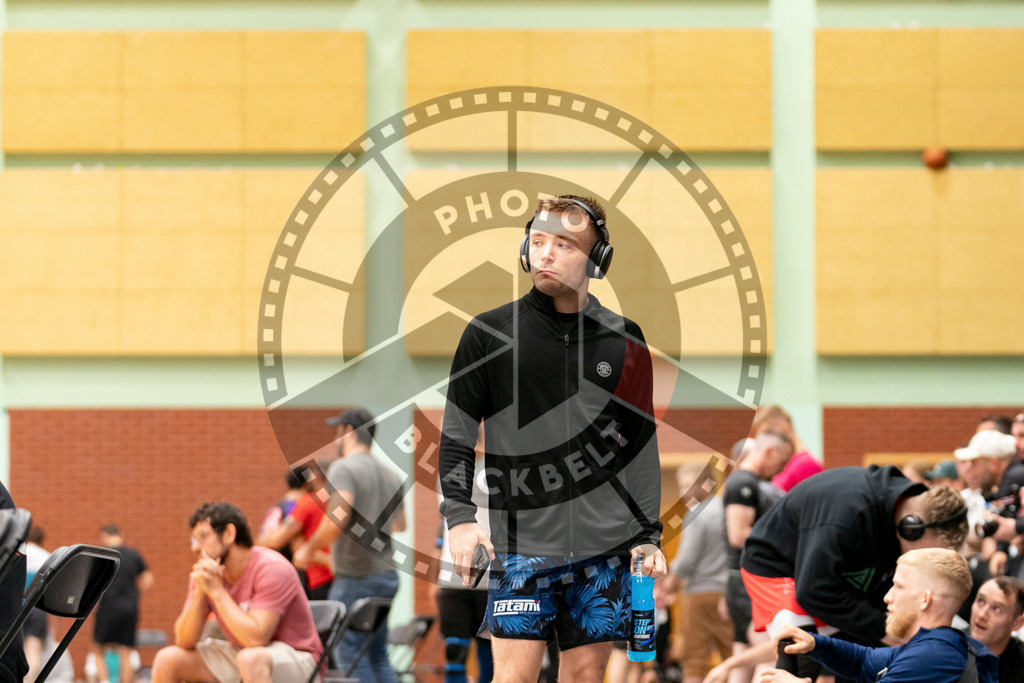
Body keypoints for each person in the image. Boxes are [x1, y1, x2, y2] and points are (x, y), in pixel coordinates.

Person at [438, 195, 666, 683]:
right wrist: (459, 517)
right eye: (537, 242)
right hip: (522, 546)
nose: (545, 254)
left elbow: (640, 447)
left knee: (584, 678)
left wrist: (648, 536)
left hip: (603, 550)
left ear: (596, 260)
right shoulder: (488, 333)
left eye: (563, 245)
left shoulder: (624, 338)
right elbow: (457, 435)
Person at [740, 465, 968, 681]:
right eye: (929, 551)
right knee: (798, 652)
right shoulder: (847, 514)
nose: (927, 561)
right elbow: (812, 591)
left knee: (871, 648)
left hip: (829, 575)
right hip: (776, 565)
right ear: (912, 527)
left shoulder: (895, 514)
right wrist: (882, 628)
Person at [760, 548, 997, 683]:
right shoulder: (937, 644)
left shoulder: (934, 657)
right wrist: (814, 644)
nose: (887, 597)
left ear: (925, 599)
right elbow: (863, 660)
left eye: (899, 587)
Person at [151, 502, 322, 683]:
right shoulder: (209, 574)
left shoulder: (271, 567)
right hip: (244, 654)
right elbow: (185, 640)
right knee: (168, 659)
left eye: (202, 537)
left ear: (229, 534)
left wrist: (217, 591)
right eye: (194, 540)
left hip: (299, 658)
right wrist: (200, 592)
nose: (195, 548)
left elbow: (256, 639)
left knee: (250, 659)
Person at [294, 408, 405, 683]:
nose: (336, 439)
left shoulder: (343, 467)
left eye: (338, 432)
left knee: (350, 651)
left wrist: (308, 549)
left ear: (349, 432)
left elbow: (337, 519)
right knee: (377, 654)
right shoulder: (391, 474)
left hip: (357, 576)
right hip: (387, 575)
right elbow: (402, 525)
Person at [723, 430, 792, 683]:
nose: (781, 469)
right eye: (782, 462)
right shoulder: (743, 483)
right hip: (748, 582)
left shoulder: (752, 483)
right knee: (768, 652)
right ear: (768, 451)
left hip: (744, 580)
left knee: (744, 654)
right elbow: (738, 535)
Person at [659, 463, 732, 683]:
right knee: (732, 654)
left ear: (705, 484)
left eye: (687, 486)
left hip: (698, 595)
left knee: (694, 660)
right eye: (680, 487)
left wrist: (667, 586)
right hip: (727, 593)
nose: (682, 494)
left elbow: (686, 561)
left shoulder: (696, 512)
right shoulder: (727, 508)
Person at [258, 463, 334, 600]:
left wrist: (265, 537)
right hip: (342, 575)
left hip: (313, 578)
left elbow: (277, 540)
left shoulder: (306, 502)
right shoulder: (342, 503)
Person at [92, 525, 154, 683]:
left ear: (104, 536)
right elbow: (148, 579)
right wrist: (135, 594)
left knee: (99, 650)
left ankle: (105, 681)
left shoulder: (102, 554)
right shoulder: (133, 554)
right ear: (121, 534)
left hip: (107, 607)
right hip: (129, 608)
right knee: (126, 651)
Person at [751, 406, 822, 493]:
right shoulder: (789, 465)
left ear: (782, 428)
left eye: (767, 435)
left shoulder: (805, 464)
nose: (765, 443)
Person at [969, 576, 1024, 682]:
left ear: (1017, 623)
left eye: (997, 609)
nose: (981, 614)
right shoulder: (948, 646)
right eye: (980, 601)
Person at [258, 469, 305, 564]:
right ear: (306, 485)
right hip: (293, 565)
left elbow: (261, 539)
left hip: (274, 562)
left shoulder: (277, 507)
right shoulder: (300, 506)